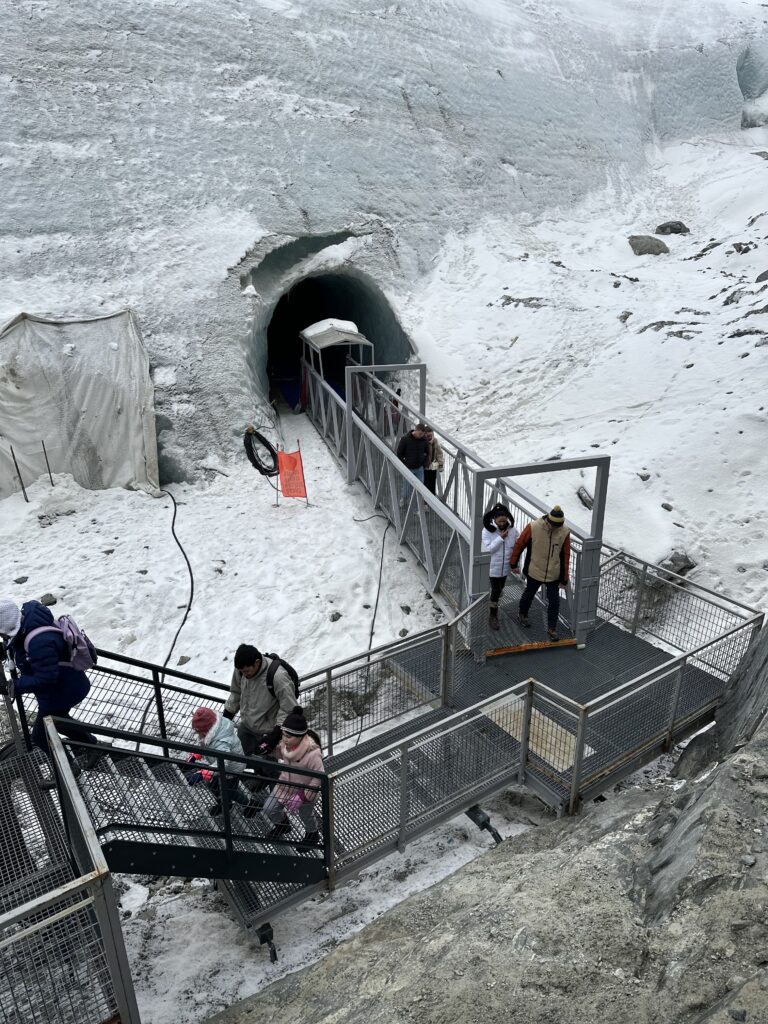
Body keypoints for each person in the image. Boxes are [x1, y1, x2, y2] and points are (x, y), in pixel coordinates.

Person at [0, 598, 98, 763]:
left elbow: (46, 678)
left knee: (40, 736)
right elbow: (20, 642)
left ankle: (69, 768)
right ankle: (92, 746)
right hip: (67, 685)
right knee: (59, 721)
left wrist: (15, 686)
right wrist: (6, 648)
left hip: (62, 691)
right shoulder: (29, 621)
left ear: (9, 625)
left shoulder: (39, 643)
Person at [262, 706, 325, 845]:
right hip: (284, 785)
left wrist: (302, 796)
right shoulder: (286, 745)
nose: (284, 739)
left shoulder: (313, 753)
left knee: (306, 816)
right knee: (269, 808)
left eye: (288, 736)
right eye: (283, 735)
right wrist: (266, 748)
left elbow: (319, 777)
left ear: (300, 737)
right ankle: (283, 825)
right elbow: (279, 753)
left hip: (304, 791)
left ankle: (312, 834)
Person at [223, 644, 297, 757]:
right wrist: (225, 719)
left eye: (247, 671)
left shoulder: (278, 677)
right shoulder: (241, 669)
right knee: (241, 760)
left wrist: (275, 735)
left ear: (257, 662)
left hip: (267, 731)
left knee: (268, 770)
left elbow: (289, 708)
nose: (244, 675)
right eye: (241, 672)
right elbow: (236, 693)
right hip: (246, 726)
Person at [509, 506, 571, 640]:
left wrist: (564, 578)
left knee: (554, 601)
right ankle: (522, 614)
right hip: (535, 570)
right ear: (549, 521)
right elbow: (520, 544)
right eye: (554, 525)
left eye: (559, 526)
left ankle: (552, 628)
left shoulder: (564, 532)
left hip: (553, 574)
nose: (556, 529)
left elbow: (566, 555)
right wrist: (513, 563)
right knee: (529, 594)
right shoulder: (533, 527)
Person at [187, 706, 253, 817]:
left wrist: (204, 773)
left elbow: (223, 762)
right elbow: (207, 745)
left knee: (229, 791)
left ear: (208, 729)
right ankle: (224, 802)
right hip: (221, 766)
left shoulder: (222, 741)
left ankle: (249, 805)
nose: (199, 735)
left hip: (232, 769)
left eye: (200, 732)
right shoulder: (213, 732)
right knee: (213, 785)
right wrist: (197, 754)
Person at [481, 504, 519, 631]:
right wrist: (500, 538)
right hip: (492, 567)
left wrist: (515, 564)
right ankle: (493, 615)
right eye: (500, 521)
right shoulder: (487, 531)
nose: (503, 523)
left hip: (505, 568)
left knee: (499, 589)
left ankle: (494, 600)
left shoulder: (512, 530)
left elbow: (515, 548)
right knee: (496, 591)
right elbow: (489, 549)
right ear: (494, 520)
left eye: (504, 520)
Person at [395, 422, 430, 504]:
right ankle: (404, 499)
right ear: (416, 430)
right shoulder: (405, 439)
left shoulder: (424, 440)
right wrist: (404, 464)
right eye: (420, 434)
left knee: (420, 487)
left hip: (419, 468)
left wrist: (424, 463)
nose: (421, 436)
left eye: (423, 434)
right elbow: (399, 453)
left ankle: (416, 504)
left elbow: (427, 452)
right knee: (406, 488)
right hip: (408, 468)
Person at [423, 429, 445, 496]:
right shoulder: (422, 442)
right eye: (428, 435)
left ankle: (432, 499)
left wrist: (440, 464)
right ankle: (425, 500)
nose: (429, 437)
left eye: (431, 435)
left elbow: (439, 453)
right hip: (423, 467)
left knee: (432, 484)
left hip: (433, 466)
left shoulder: (435, 441)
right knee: (425, 483)